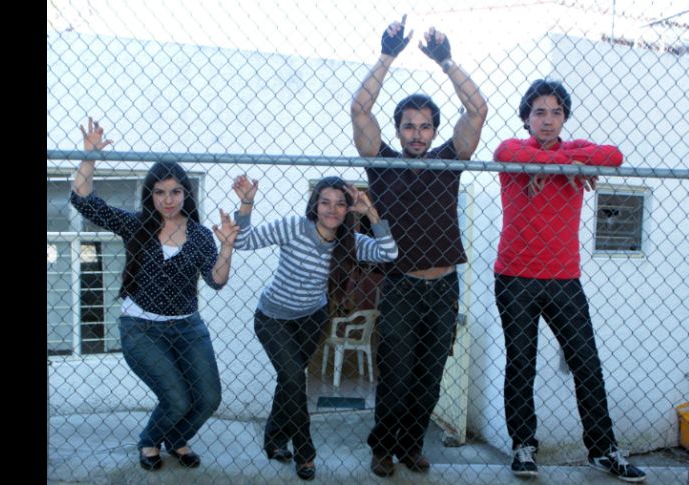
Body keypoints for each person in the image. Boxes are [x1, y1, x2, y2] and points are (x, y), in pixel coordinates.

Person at [350, 16, 488, 477]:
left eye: (425, 127)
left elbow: (478, 110)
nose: (417, 134)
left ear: (433, 132)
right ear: (398, 130)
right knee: (395, 378)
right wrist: (387, 55)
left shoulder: (449, 160)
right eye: (409, 126)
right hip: (401, 288)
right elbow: (360, 110)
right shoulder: (382, 163)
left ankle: (411, 445)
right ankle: (382, 447)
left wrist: (446, 60)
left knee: (429, 380)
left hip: (444, 288)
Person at [492, 79, 646, 482]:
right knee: (521, 364)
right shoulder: (514, 150)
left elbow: (613, 155)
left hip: (564, 279)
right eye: (539, 112)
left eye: (556, 112)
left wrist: (564, 162)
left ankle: (602, 449)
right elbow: (505, 152)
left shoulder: (575, 150)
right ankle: (523, 447)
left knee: (587, 364)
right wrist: (570, 166)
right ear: (526, 117)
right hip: (515, 277)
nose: (548, 120)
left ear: (565, 117)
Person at [69, 117, 239, 471]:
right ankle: (150, 441)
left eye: (175, 191)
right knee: (176, 398)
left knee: (209, 398)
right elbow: (85, 202)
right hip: (141, 328)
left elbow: (217, 281)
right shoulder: (136, 224)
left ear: (185, 193)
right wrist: (90, 157)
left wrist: (226, 247)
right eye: (160, 192)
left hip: (187, 328)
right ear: (151, 194)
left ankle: (176, 439)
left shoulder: (199, 235)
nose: (168, 199)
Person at [231, 175, 398, 481]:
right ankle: (305, 451)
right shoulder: (294, 227)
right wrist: (246, 202)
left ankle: (274, 439)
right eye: (325, 202)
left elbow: (389, 253)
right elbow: (243, 241)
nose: (332, 210)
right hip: (273, 317)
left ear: (348, 209)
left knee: (289, 380)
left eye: (340, 204)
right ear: (314, 205)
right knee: (294, 377)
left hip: (311, 319)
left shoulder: (350, 242)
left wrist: (371, 214)